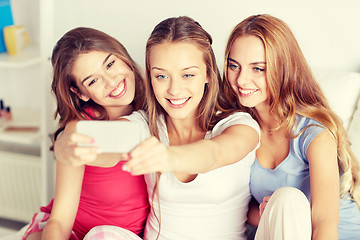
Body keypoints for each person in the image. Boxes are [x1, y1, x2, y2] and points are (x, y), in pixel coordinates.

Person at [55, 16, 260, 240]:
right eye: (161, 76)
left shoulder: (240, 124)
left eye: (188, 75)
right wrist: (68, 142)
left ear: (208, 74)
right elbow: (110, 139)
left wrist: (168, 157)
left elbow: (215, 153)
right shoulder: (145, 124)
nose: (174, 89)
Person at [222, 14, 360, 240]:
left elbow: (324, 225)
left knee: (287, 198)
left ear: (282, 69)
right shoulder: (239, 128)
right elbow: (242, 208)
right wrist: (273, 211)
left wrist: (285, 206)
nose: (241, 80)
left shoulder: (314, 135)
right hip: (280, 231)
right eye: (234, 66)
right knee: (284, 201)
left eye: (258, 68)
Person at [22, 27, 149, 240]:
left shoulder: (158, 104)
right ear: (81, 93)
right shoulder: (79, 131)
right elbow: (60, 221)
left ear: (122, 55)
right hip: (77, 232)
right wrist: (64, 142)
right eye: (93, 80)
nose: (111, 81)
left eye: (110, 64)